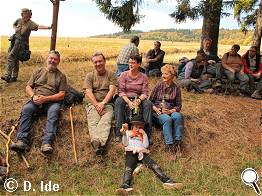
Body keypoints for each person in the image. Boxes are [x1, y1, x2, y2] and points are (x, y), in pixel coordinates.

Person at [10, 50, 67, 154]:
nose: (52, 61)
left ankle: (47, 143)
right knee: (27, 109)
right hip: (36, 100)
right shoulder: (37, 71)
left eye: (55, 59)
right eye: (51, 58)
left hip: (52, 102)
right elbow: (28, 86)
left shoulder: (61, 76)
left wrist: (46, 99)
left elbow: (62, 94)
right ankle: (22, 141)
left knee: (54, 111)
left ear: (58, 61)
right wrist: (33, 96)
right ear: (47, 59)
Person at [116, 115, 183, 195]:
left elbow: (145, 145)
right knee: (128, 168)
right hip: (131, 152)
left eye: (140, 126)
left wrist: (144, 134)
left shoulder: (143, 134)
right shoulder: (128, 132)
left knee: (154, 165)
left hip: (142, 152)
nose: (137, 128)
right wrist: (124, 134)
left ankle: (167, 181)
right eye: (135, 126)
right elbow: (125, 143)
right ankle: (125, 186)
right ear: (132, 125)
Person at [1, 8, 51, 83]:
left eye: (28, 15)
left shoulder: (30, 23)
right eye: (24, 14)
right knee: (15, 58)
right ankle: (14, 77)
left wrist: (48, 27)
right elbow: (14, 24)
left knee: (11, 56)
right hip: (14, 40)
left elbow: (38, 26)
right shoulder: (19, 20)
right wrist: (16, 28)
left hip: (21, 43)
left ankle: (7, 75)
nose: (27, 16)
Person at [83, 52, 117, 155]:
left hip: (107, 104)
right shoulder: (90, 76)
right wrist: (97, 104)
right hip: (93, 104)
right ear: (93, 63)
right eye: (95, 62)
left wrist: (103, 103)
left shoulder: (111, 75)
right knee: (94, 121)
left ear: (104, 61)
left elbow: (112, 90)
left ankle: (96, 143)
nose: (98, 64)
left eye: (100, 61)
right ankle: (100, 145)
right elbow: (88, 92)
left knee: (106, 121)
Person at [114, 54, 153, 144]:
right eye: (129, 62)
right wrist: (128, 101)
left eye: (133, 63)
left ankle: (147, 134)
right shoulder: (123, 75)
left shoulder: (144, 77)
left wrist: (139, 100)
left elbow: (145, 93)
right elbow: (121, 91)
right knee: (118, 102)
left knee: (148, 104)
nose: (130, 65)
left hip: (138, 98)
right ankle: (118, 133)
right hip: (125, 97)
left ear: (139, 64)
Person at [150, 64, 183, 152]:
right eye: (162, 73)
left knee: (177, 116)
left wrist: (171, 111)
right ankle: (170, 145)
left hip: (170, 110)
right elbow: (150, 101)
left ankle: (178, 142)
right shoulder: (158, 86)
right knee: (167, 119)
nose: (163, 76)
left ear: (172, 76)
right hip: (158, 112)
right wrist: (158, 109)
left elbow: (178, 105)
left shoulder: (176, 88)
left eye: (166, 74)